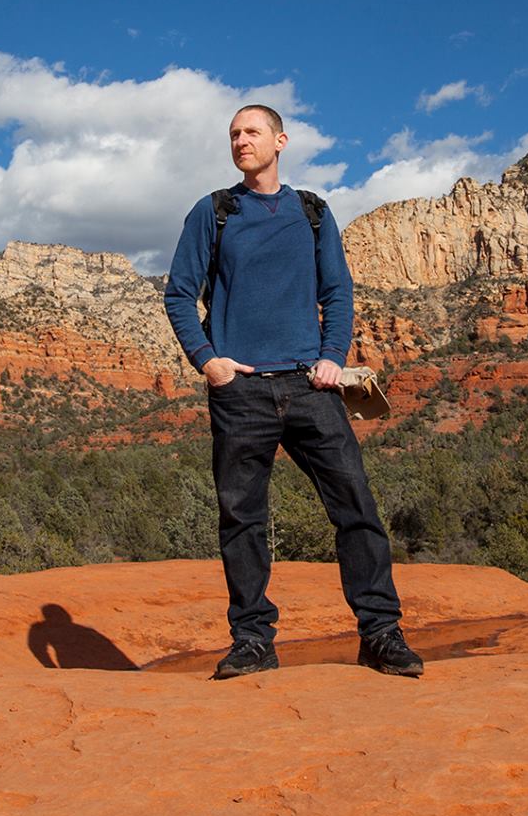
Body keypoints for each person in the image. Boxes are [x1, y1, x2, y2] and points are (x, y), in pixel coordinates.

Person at [163, 103, 423, 679]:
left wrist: (333, 359)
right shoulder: (214, 212)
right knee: (242, 519)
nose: (240, 141)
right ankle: (253, 639)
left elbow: (338, 291)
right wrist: (209, 362)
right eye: (233, 134)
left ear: (280, 140)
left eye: (251, 132)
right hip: (241, 392)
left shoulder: (312, 211)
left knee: (356, 506)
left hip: (311, 386)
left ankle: (380, 634)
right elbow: (179, 293)